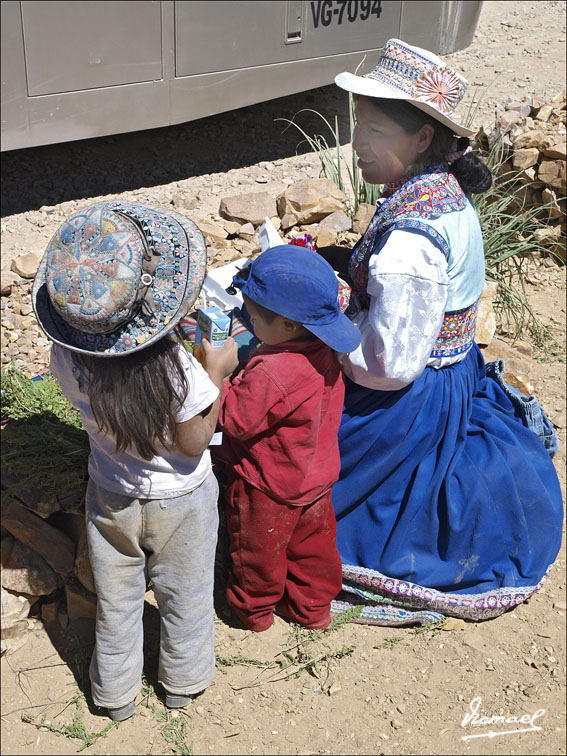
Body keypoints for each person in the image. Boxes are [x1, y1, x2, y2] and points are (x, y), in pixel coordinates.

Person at [317, 39, 563, 624]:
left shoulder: (410, 241)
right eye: (360, 127)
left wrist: (332, 317)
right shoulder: (442, 196)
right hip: (453, 376)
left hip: (409, 402)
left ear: (422, 137)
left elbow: (389, 365)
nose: (359, 146)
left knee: (301, 471)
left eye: (373, 131)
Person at [32, 201, 239, 719]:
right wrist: (218, 374)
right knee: (185, 594)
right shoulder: (176, 369)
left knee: (118, 600)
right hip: (183, 502)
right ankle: (182, 684)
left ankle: (115, 695)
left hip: (110, 492)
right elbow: (193, 443)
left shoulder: (66, 355)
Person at [214, 245, 361, 632]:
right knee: (313, 550)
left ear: (288, 326)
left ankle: (255, 613)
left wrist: (221, 377)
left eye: (254, 317)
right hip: (316, 477)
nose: (248, 321)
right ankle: (312, 609)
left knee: (257, 551)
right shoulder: (323, 348)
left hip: (269, 486)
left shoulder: (273, 371)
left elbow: (234, 421)